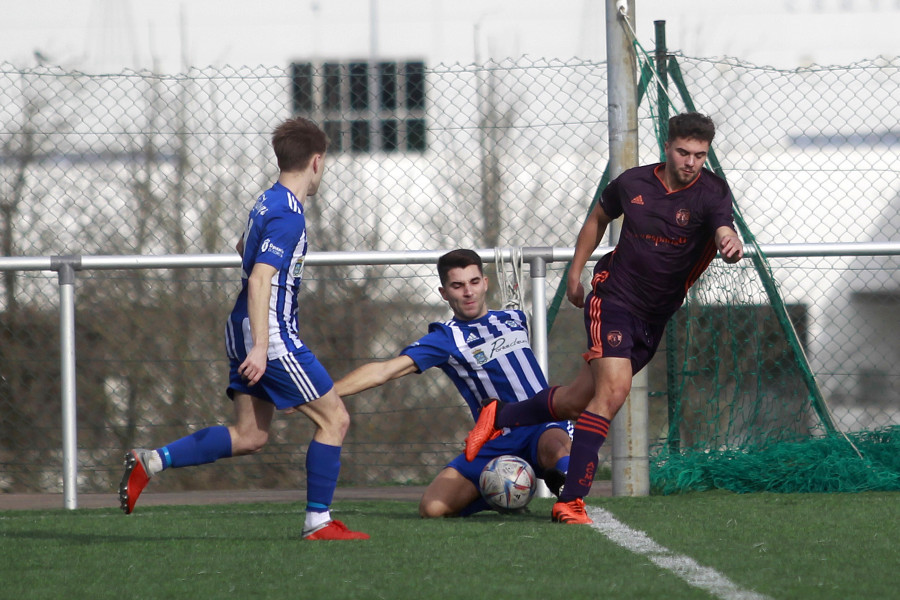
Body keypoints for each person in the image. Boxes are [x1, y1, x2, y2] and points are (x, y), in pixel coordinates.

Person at [464, 112, 744, 524]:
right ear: (667, 146)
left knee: (579, 400)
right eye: (683, 152)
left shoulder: (713, 193)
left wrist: (729, 240)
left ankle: (499, 416)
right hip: (614, 297)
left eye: (699, 156)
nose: (690, 162)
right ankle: (571, 500)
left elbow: (723, 228)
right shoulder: (633, 183)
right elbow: (598, 218)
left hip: (655, 315)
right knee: (613, 392)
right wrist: (575, 273)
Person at [118, 117, 368, 541]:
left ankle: (151, 462)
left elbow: (242, 247)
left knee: (251, 435)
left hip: (244, 327)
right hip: (268, 334)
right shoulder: (289, 216)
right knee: (335, 419)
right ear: (317, 162)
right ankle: (318, 523)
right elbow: (259, 278)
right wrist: (261, 348)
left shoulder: (265, 200)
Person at [333, 249, 572, 518]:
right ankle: (501, 496)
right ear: (444, 292)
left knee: (557, 446)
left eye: (473, 282)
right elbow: (384, 371)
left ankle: (571, 495)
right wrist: (325, 394)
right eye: (457, 286)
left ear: (485, 283)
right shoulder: (446, 338)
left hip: (542, 424)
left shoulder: (514, 318)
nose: (468, 292)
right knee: (433, 508)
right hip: (497, 438)